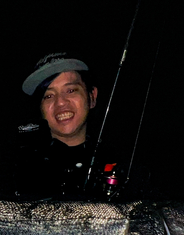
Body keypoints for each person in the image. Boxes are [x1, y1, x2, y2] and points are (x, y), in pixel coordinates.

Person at [15, 52, 149, 201]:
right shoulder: (15, 166)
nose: (60, 102)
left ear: (92, 97)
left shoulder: (126, 168)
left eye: (71, 90)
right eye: (48, 96)